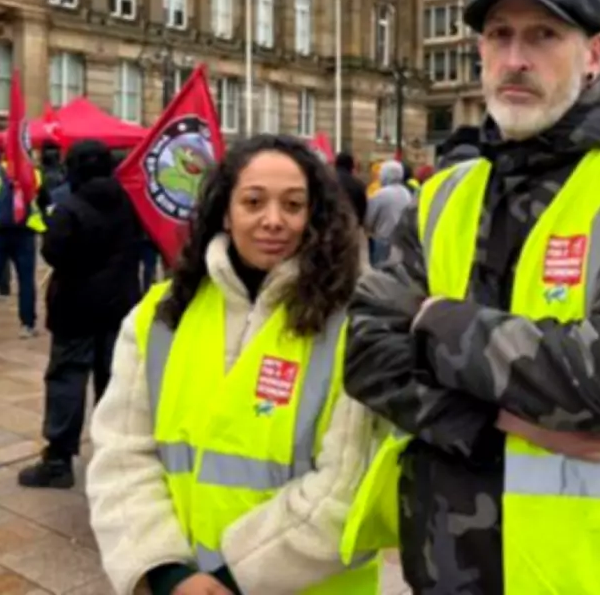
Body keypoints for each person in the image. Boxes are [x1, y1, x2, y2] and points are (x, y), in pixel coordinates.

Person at [342, 0, 600, 594]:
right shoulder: (442, 196)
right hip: (447, 562)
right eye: (500, 35)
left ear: (594, 54)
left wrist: (437, 319)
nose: (516, 58)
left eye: (543, 35)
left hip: (593, 572)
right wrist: (500, 421)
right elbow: (365, 353)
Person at [86, 134, 380, 595]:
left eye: (293, 205)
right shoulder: (160, 315)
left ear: (314, 215)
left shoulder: (357, 322)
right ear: (226, 211)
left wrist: (231, 578)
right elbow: (121, 453)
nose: (273, 220)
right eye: (253, 202)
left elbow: (350, 485)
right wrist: (165, 572)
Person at [18, 140, 143, 489]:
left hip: (75, 309)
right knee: (114, 381)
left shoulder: (69, 208)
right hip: (119, 306)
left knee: (67, 380)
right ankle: (113, 455)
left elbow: (53, 253)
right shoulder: (129, 203)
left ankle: (58, 460)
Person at [0, 145, 47, 337]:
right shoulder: (34, 174)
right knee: (26, 280)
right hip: (25, 233)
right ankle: (27, 324)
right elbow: (44, 200)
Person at [365, 159, 411, 267]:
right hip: (401, 241)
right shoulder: (406, 193)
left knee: (380, 270)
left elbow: (369, 218)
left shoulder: (380, 194)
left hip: (382, 239)